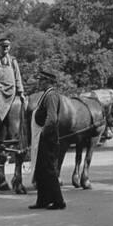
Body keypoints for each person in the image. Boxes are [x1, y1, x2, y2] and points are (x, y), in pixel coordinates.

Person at [0, 37, 25, 190]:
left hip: (11, 90)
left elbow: (18, 76)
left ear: (10, 48)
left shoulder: (13, 60)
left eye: (7, 47)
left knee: (20, 107)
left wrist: (21, 92)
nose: (5, 49)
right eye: (3, 47)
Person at [29, 70, 66, 210]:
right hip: (42, 138)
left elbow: (51, 119)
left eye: (42, 80)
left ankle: (58, 201)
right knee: (40, 171)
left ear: (48, 82)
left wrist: (43, 133)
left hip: (47, 139)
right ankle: (42, 200)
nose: (40, 83)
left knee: (49, 171)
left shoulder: (51, 96)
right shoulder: (46, 95)